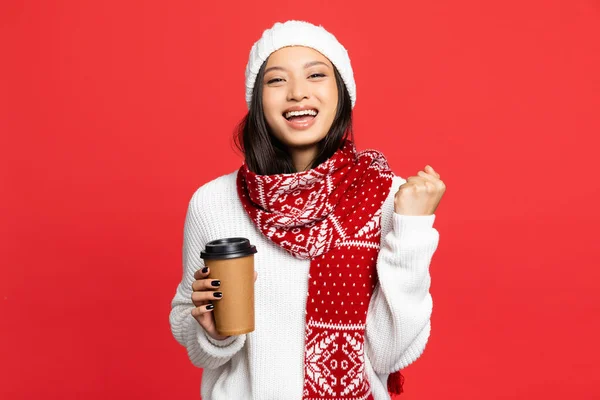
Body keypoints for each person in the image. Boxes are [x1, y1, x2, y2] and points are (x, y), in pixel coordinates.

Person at [169, 20, 446, 400]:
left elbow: (390, 353)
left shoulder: (388, 198)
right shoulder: (214, 203)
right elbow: (196, 340)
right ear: (257, 101)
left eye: (316, 75)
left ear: (342, 92)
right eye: (277, 81)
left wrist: (412, 230)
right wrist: (212, 333)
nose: (298, 94)